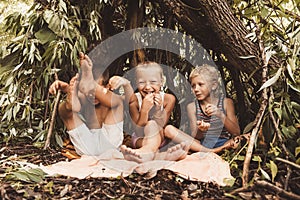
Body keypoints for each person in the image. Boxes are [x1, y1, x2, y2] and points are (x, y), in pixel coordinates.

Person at [49, 52, 133, 156]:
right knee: (64, 109)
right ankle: (71, 101)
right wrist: (66, 87)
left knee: (117, 103)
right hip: (87, 145)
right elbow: (79, 94)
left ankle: (90, 85)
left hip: (109, 144)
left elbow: (130, 101)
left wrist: (126, 83)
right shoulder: (84, 97)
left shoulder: (112, 99)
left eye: (95, 90)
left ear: (107, 87)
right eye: (89, 90)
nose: (92, 95)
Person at [120, 62, 188, 163]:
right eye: (142, 82)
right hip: (140, 139)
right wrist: (144, 110)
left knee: (152, 125)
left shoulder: (169, 99)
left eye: (153, 82)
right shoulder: (134, 99)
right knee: (150, 125)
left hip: (160, 139)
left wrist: (157, 109)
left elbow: (161, 125)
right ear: (136, 82)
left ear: (161, 82)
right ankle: (158, 155)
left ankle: (145, 153)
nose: (147, 87)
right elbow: (138, 131)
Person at [164, 64, 241, 153]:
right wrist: (201, 129)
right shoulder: (192, 107)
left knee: (241, 138)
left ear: (214, 85)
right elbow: (196, 136)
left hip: (224, 142)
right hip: (202, 144)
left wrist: (220, 115)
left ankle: (214, 150)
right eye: (193, 86)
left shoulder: (226, 103)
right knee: (168, 129)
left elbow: (236, 132)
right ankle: (214, 151)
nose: (196, 89)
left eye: (200, 84)